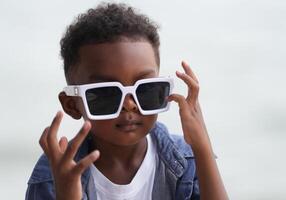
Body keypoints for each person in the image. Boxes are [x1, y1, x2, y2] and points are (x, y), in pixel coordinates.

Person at [26, 3, 228, 200]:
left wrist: (202, 146)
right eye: (106, 93)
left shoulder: (187, 159)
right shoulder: (54, 175)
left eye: (146, 89)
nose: (130, 104)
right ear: (72, 104)